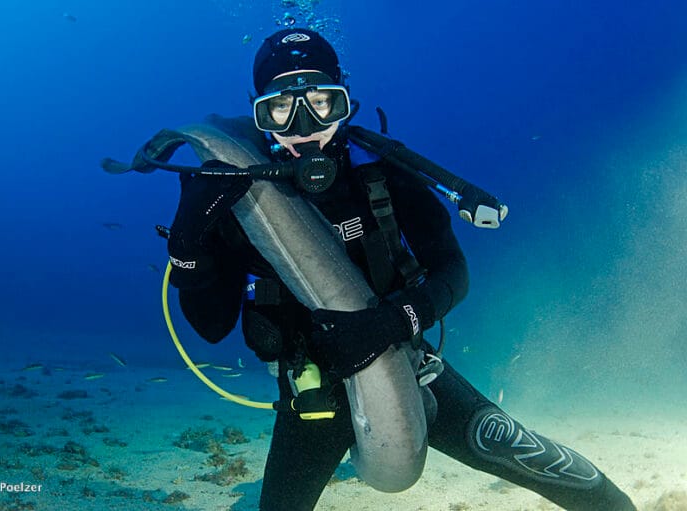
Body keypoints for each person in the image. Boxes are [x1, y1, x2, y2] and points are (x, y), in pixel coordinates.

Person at [166, 28, 636, 511]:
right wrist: (188, 245)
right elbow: (210, 326)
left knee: (542, 465)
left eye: (322, 102)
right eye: (281, 109)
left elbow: (453, 271)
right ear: (258, 112)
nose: (305, 125)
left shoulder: (382, 173)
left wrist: (391, 322)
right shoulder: (236, 200)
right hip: (311, 397)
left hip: (407, 366)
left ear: (346, 100)